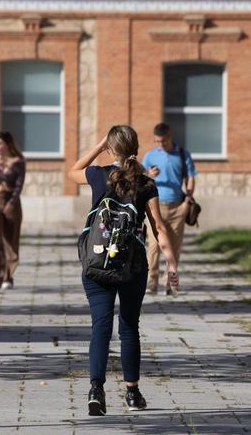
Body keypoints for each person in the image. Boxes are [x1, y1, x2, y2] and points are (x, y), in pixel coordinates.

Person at [68, 125, 179, 415]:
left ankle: (96, 390)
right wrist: (172, 263)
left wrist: (99, 144)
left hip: (97, 263)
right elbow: (158, 227)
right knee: (129, 328)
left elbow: (72, 171)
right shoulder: (145, 184)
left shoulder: (98, 175)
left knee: (100, 328)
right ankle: (132, 394)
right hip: (133, 266)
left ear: (111, 148)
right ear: (136, 147)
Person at [142, 123, 196, 295]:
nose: (160, 145)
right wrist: (149, 175)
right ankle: (151, 282)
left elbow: (191, 177)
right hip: (153, 207)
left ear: (170, 137)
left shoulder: (182, 154)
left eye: (163, 141)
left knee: (174, 246)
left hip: (177, 208)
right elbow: (140, 178)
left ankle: (167, 283)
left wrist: (187, 200)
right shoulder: (150, 156)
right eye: (157, 142)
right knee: (153, 246)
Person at [0, 132, 26, 291]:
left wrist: (12, 203)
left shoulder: (18, 162)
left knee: (10, 241)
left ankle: (8, 276)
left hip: (11, 202)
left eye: (0, 143)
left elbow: (19, 186)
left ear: (8, 144)